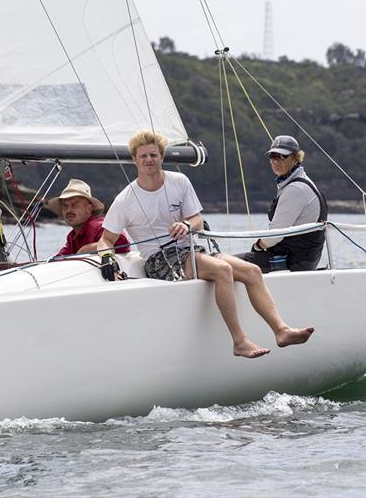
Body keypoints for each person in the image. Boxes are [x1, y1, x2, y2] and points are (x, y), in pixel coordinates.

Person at [96, 130, 314, 359]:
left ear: (162, 157)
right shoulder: (125, 199)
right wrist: (107, 257)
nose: (149, 160)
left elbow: (197, 220)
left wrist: (187, 225)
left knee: (252, 271)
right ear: (134, 160)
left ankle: (282, 330)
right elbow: (106, 239)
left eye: (153, 155)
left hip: (190, 250)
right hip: (159, 260)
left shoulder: (179, 181)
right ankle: (239, 341)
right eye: (143, 156)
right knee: (223, 270)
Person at [238, 135, 328, 273]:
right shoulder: (298, 181)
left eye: (281, 156)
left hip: (292, 263)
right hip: (302, 261)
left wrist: (257, 246)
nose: (276, 161)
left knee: (222, 263)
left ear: (296, 158)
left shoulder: (295, 189)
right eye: (273, 156)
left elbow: (274, 236)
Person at [46, 178, 130, 257]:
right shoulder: (72, 237)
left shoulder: (98, 227)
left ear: (89, 208)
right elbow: (60, 258)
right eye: (65, 206)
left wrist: (85, 249)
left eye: (74, 205)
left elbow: (122, 244)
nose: (69, 210)